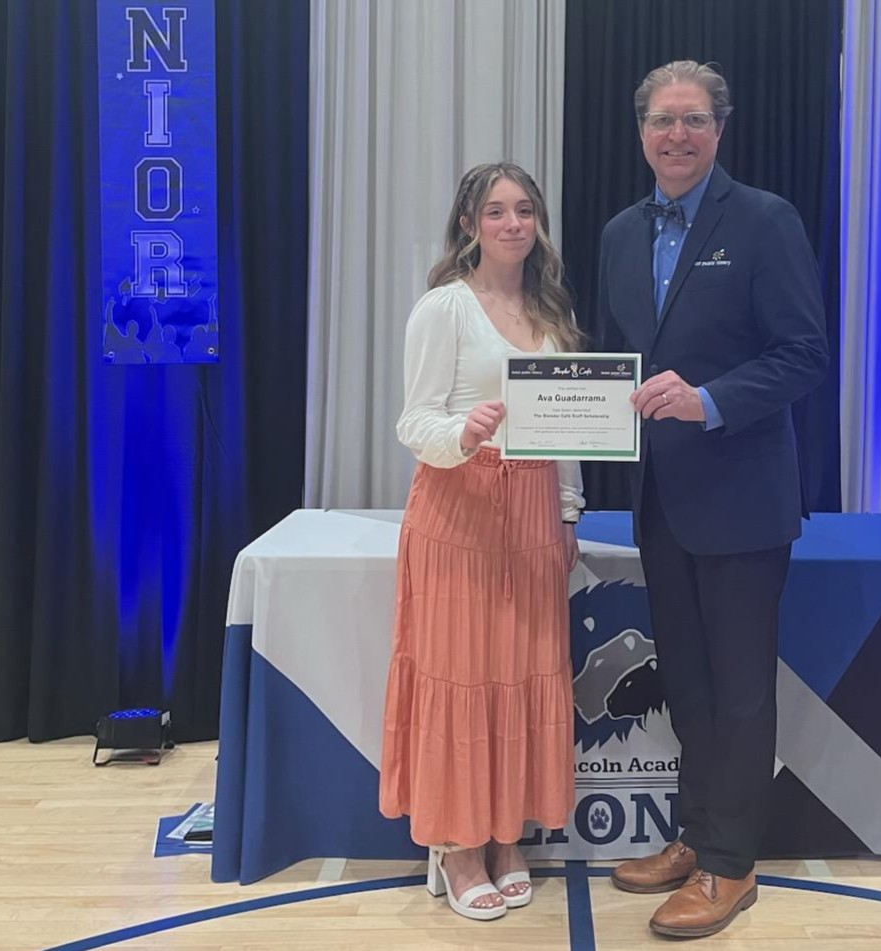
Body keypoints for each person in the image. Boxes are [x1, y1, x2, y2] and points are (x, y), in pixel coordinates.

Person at [597, 61, 829, 938]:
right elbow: (621, 361)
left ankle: (733, 867)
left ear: (720, 130)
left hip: (742, 498)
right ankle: (697, 836)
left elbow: (806, 354)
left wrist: (710, 399)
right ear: (642, 131)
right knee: (688, 685)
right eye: (663, 121)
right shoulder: (622, 232)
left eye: (694, 120)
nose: (677, 136)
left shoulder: (765, 221)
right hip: (660, 499)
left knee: (738, 690)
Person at [380, 162, 583, 922]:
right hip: (460, 511)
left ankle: (505, 834)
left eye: (524, 210)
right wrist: (463, 432)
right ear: (469, 224)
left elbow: (567, 433)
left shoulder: (552, 312)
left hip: (531, 517)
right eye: (495, 211)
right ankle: (457, 841)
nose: (512, 224)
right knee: (460, 676)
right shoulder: (443, 308)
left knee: (521, 674)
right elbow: (412, 422)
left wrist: (567, 513)